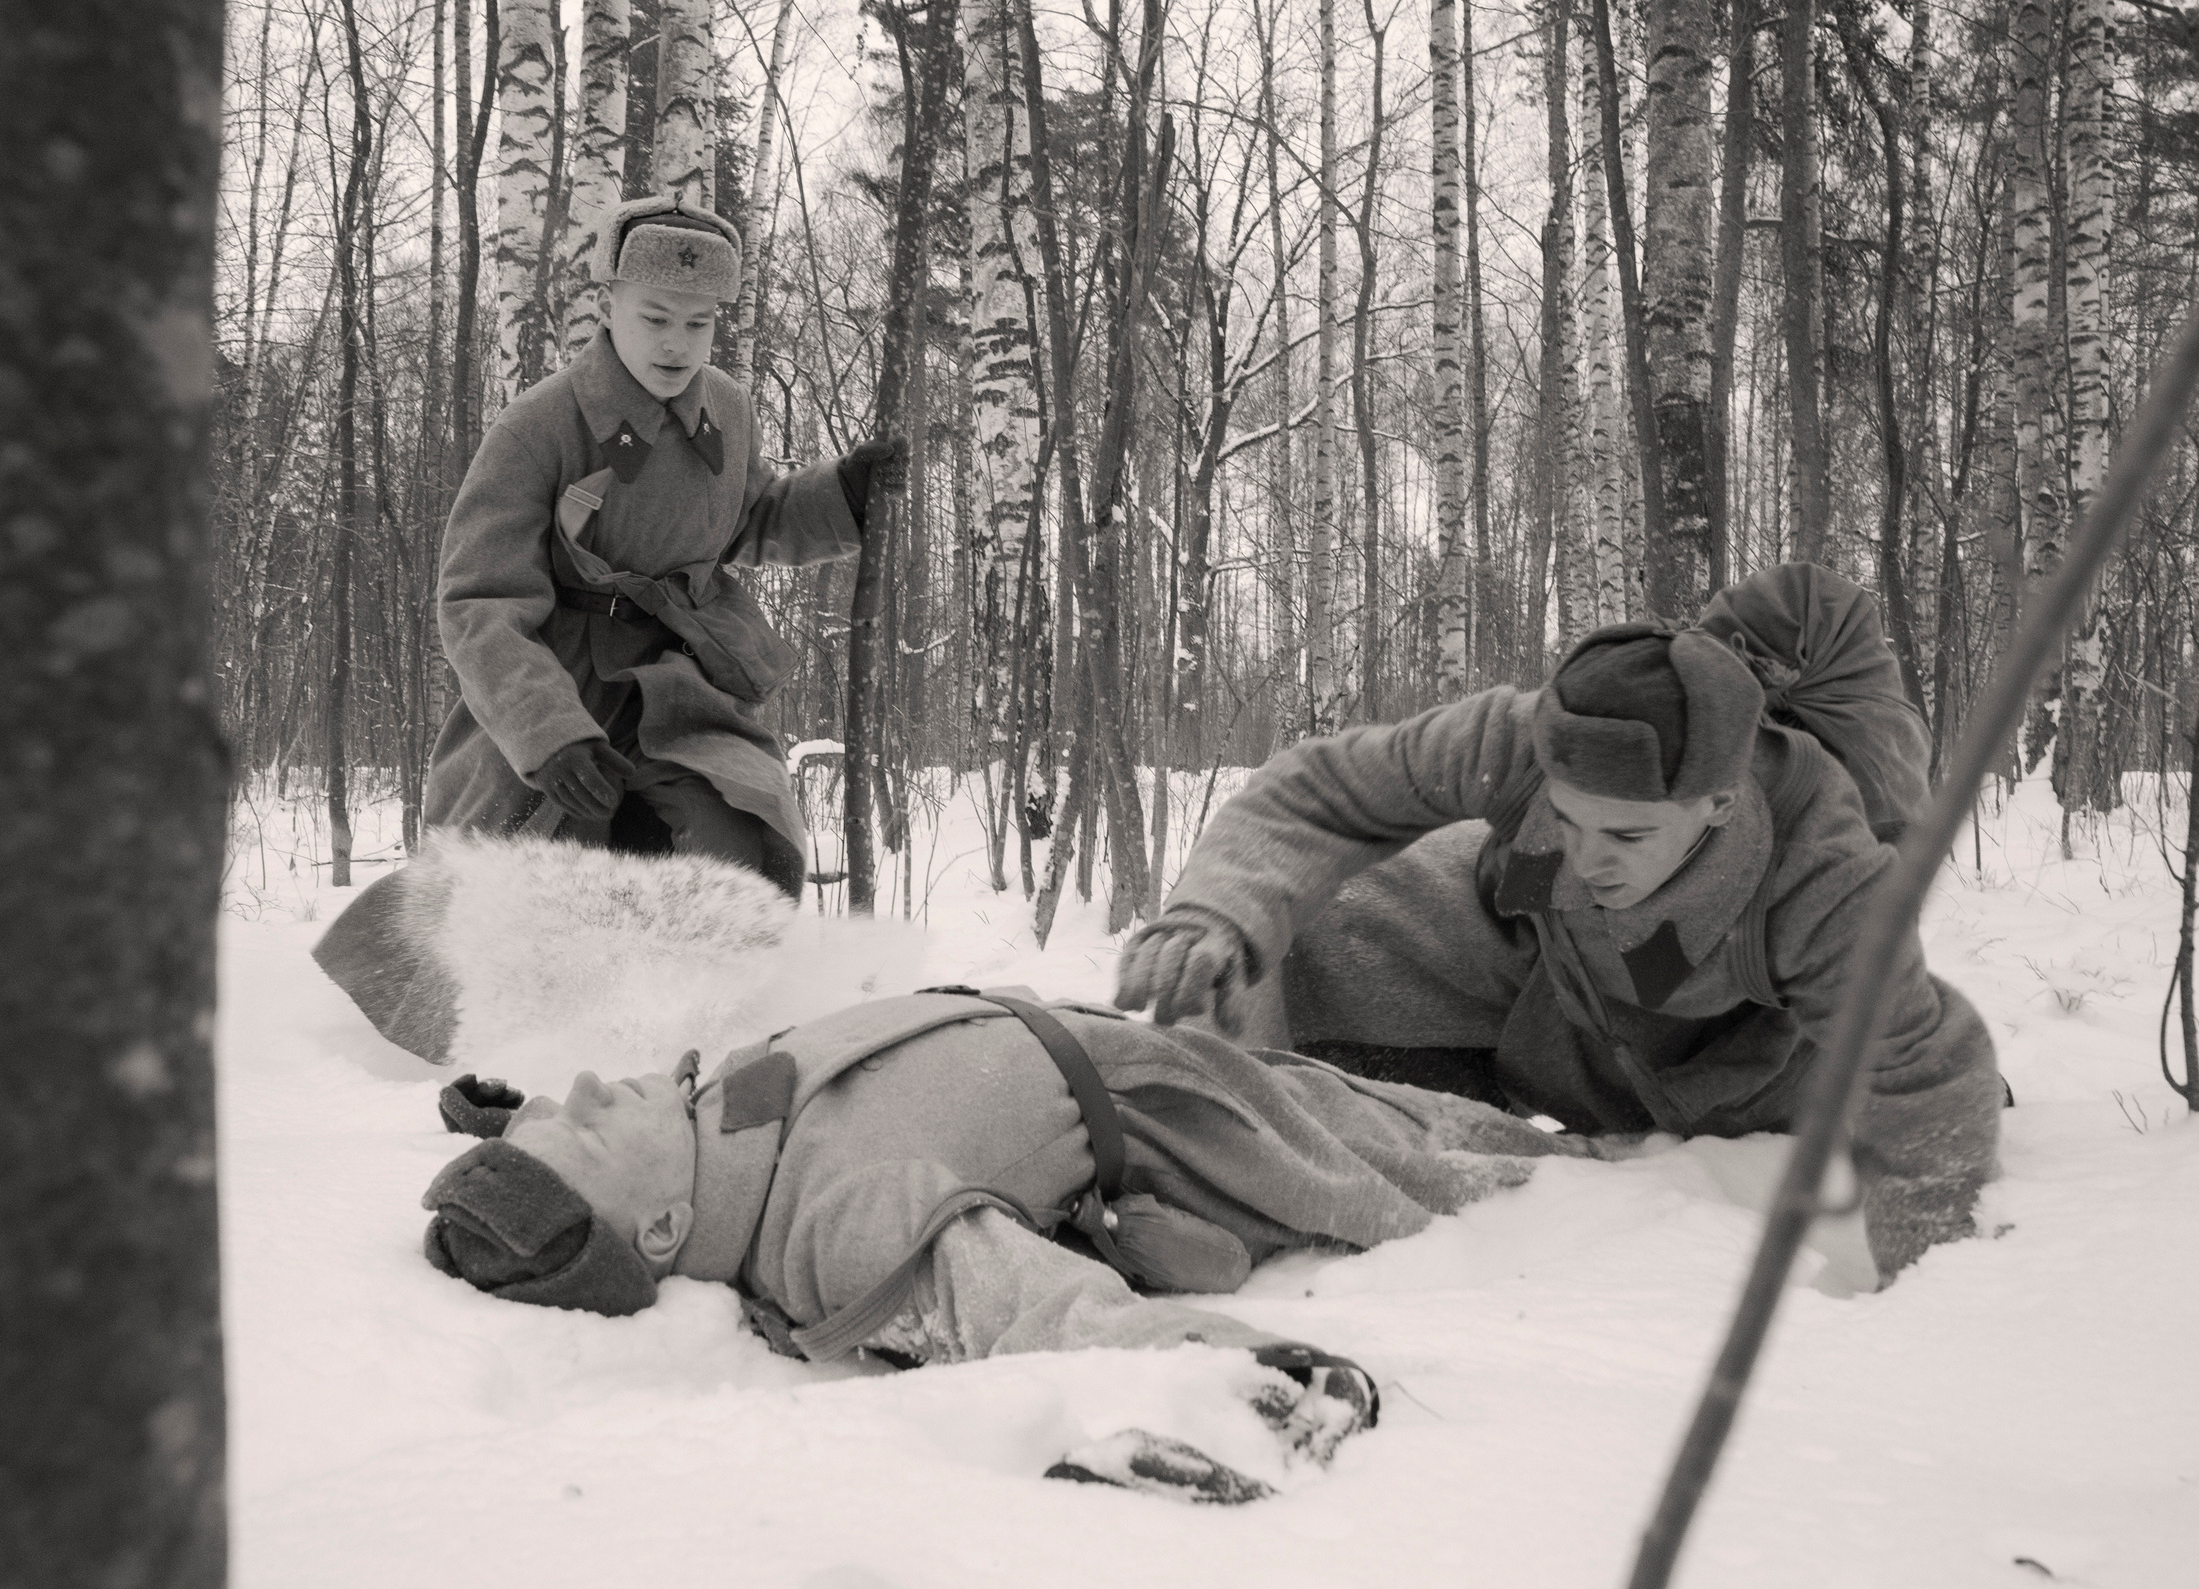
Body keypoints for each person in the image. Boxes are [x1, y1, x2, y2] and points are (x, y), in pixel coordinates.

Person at [416, 986, 1639, 1502]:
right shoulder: (838, 1220)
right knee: (1415, 1162)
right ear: (663, 1230)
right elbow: (1022, 1305)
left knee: (1365, 1098)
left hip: (1108, 1041)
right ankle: (1627, 1176)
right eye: (583, 1127)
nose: (589, 1086)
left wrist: (499, 1127)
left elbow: (560, 1155)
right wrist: (1222, 1374)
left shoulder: (692, 1130)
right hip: (1176, 1122)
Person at [1113, 602, 2004, 1284]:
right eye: (1570, 820)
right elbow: (1322, 789)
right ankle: (1207, 1149)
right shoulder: (1525, 737)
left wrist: (1928, 1283)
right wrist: (1213, 915)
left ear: (1719, 803)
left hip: (1723, 1083)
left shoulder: (1825, 876)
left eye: (1626, 834)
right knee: (1302, 928)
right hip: (1537, 976)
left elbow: (1922, 1061)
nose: (1589, 857)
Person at [422, 193, 901, 893]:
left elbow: (752, 519)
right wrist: (547, 734)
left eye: (698, 323)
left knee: (736, 846)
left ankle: (715, 967)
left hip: (681, 689)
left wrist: (844, 495)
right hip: (562, 686)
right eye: (655, 318)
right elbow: (479, 603)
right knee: (534, 876)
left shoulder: (726, 408)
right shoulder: (537, 428)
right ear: (608, 305)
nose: (677, 343)